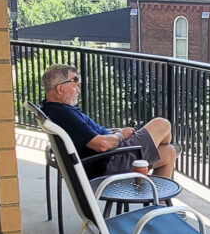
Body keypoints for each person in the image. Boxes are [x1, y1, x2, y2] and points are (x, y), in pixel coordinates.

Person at [40, 63, 177, 179]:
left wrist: (114, 132)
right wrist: (121, 136)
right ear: (60, 88)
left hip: (106, 158)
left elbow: (92, 136)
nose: (78, 89)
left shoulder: (53, 109)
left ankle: (160, 205)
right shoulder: (64, 115)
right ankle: (160, 147)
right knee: (162, 124)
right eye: (74, 82)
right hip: (109, 162)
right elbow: (102, 144)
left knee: (169, 152)